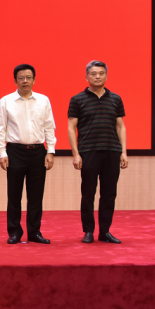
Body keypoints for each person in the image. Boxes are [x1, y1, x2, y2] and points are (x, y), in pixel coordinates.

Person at [66, 60, 128, 244]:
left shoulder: (115, 98)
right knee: (88, 193)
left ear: (106, 76)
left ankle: (105, 231)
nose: (97, 76)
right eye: (93, 74)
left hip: (112, 151)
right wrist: (76, 154)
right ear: (86, 77)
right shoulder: (77, 99)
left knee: (109, 194)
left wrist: (123, 152)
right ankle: (88, 231)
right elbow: (71, 128)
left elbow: (120, 126)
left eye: (101, 73)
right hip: (88, 151)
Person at [0, 64, 56, 244]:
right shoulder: (6, 101)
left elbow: (49, 127)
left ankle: (34, 232)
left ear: (34, 80)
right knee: (14, 195)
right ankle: (14, 232)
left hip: (38, 152)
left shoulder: (43, 100)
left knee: (36, 196)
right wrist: (2, 153)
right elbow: (0, 128)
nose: (25, 81)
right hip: (15, 151)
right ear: (15, 80)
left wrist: (50, 151)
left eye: (28, 77)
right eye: (21, 78)